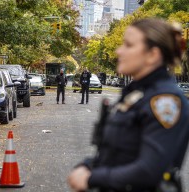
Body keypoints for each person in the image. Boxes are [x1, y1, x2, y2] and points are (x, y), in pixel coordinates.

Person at [68, 18, 189, 192]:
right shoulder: (137, 93)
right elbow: (116, 154)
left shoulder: (165, 100)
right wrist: (87, 165)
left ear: (152, 55)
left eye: (128, 45)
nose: (119, 51)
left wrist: (92, 178)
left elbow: (148, 171)